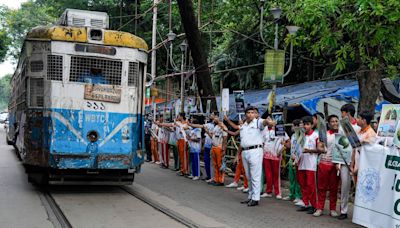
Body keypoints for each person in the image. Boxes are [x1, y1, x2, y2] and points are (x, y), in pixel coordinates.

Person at [224, 106, 270, 207]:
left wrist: (268, 121)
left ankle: (255, 198)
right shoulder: (244, 125)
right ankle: (250, 196)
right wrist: (227, 120)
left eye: (252, 112)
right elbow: (237, 130)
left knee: (255, 176)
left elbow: (265, 123)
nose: (250, 114)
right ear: (245, 114)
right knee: (248, 176)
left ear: (255, 114)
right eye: (248, 112)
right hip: (245, 151)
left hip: (255, 151)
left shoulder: (258, 122)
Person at [314, 115, 340, 217]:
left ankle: (333, 209)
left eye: (336, 121)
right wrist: (320, 147)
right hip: (324, 163)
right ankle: (319, 208)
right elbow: (319, 147)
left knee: (334, 188)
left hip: (336, 165)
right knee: (321, 187)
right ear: (328, 124)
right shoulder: (324, 134)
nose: (335, 123)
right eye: (332, 121)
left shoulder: (341, 135)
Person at [338, 103, 360, 220]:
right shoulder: (341, 127)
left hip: (357, 162)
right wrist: (338, 161)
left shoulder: (359, 126)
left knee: (358, 187)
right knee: (345, 186)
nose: (341, 115)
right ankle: (343, 210)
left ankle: (359, 213)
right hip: (344, 160)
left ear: (347, 113)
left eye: (342, 112)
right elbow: (339, 143)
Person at [261, 116, 289, 199]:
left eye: (271, 120)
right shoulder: (264, 130)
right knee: (268, 174)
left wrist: (282, 148)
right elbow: (262, 142)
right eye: (268, 120)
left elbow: (288, 142)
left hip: (276, 156)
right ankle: (268, 191)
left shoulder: (280, 129)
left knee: (276, 175)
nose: (269, 121)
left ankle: (278, 192)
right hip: (266, 155)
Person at [297, 116, 321, 214]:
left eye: (307, 124)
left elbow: (320, 150)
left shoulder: (316, 135)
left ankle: (314, 205)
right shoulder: (300, 136)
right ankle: (305, 203)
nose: (305, 126)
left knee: (311, 185)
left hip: (311, 164)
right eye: (304, 124)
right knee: (303, 184)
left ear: (311, 125)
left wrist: (309, 150)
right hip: (301, 163)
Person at [188, 112, 217, 182]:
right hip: (206, 145)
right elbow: (201, 127)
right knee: (206, 162)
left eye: (212, 115)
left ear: (216, 116)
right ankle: (208, 176)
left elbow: (201, 127)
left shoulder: (215, 126)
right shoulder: (208, 124)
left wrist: (190, 124)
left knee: (212, 163)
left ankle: (212, 177)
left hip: (212, 146)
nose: (210, 115)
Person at [353, 110, 377, 183]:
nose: (356, 119)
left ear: (364, 120)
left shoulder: (371, 134)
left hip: (363, 168)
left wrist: (358, 168)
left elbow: (369, 155)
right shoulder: (359, 131)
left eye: (359, 118)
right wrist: (353, 165)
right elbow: (355, 149)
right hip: (356, 166)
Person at [283, 119, 303, 205]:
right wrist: (284, 143)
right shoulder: (293, 135)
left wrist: (297, 158)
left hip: (298, 159)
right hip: (291, 159)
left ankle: (298, 196)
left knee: (298, 179)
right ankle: (292, 195)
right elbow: (290, 146)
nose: (291, 127)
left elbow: (300, 148)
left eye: (293, 126)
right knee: (292, 178)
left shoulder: (302, 136)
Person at [204, 116, 228, 186]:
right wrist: (208, 132)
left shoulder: (223, 127)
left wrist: (224, 149)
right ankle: (216, 179)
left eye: (215, 118)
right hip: (214, 147)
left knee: (220, 165)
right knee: (215, 165)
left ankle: (221, 181)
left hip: (219, 147)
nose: (214, 119)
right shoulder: (216, 127)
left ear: (219, 118)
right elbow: (213, 137)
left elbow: (225, 139)